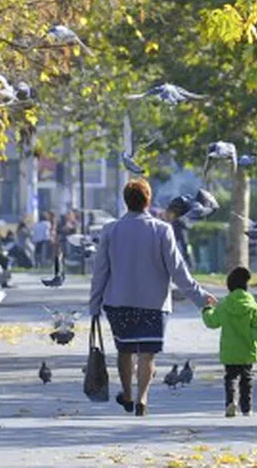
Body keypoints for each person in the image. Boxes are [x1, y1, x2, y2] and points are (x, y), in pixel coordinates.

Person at [89, 178, 217, 416]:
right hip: (154, 305)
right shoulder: (162, 230)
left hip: (119, 302)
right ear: (148, 200)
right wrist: (200, 298)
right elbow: (178, 271)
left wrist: (94, 304)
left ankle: (127, 394)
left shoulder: (111, 230)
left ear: (126, 201)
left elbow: (101, 271)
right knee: (147, 354)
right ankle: (142, 399)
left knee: (125, 351)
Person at [201, 267, 257, 417]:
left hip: (230, 351)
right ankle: (246, 407)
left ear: (229, 287)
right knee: (247, 378)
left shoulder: (224, 306)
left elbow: (212, 322)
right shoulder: (253, 308)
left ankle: (230, 402)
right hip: (247, 351)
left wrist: (207, 309)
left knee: (230, 377)